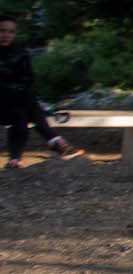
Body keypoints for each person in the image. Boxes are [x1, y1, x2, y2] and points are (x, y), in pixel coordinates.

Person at [0, 13, 83, 168]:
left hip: (16, 104)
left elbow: (28, 80)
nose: (6, 35)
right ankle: (53, 140)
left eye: (10, 31)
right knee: (22, 108)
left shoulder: (20, 53)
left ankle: (15, 159)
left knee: (20, 111)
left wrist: (20, 92)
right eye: (2, 30)